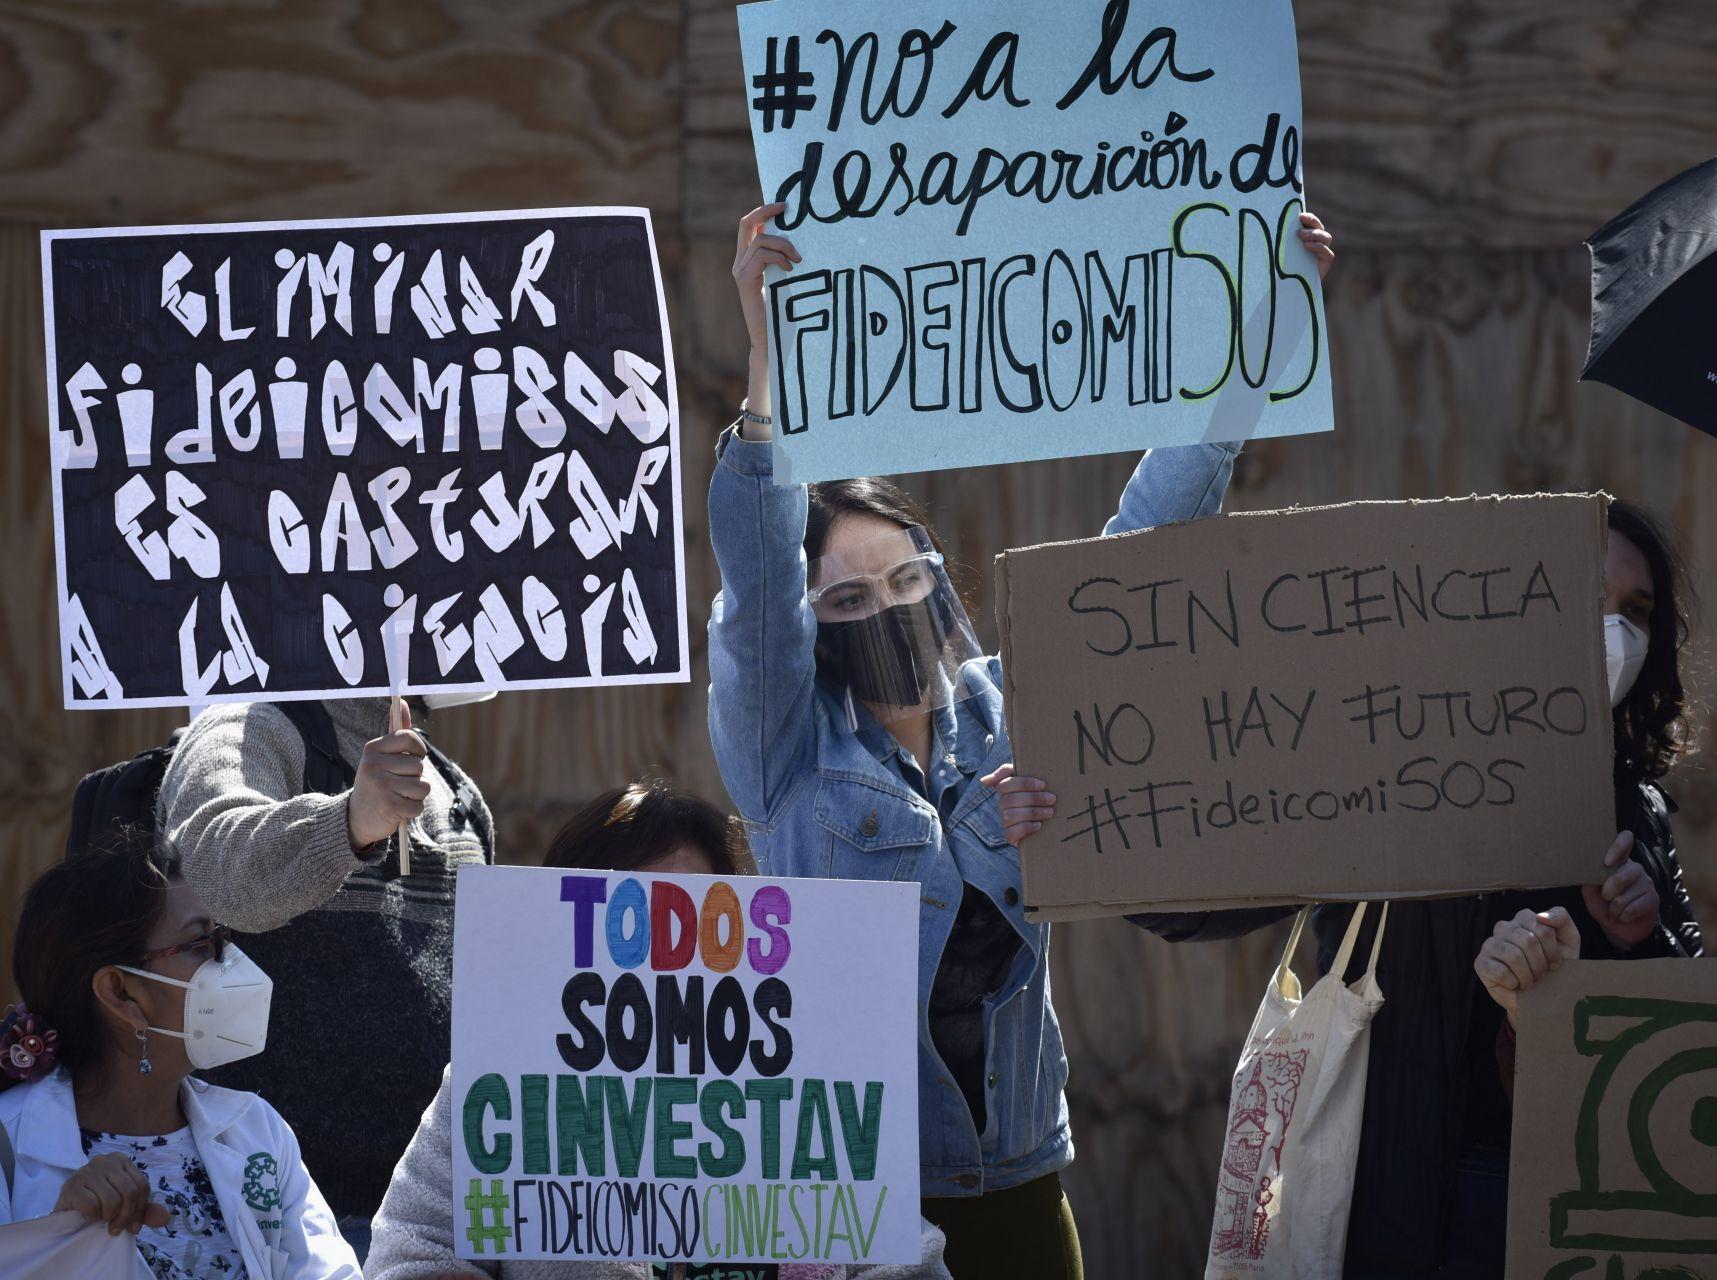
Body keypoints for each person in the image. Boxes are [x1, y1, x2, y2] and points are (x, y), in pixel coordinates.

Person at [708, 203, 1337, 1279]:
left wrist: (1253, 352)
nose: (888, 609)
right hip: (849, 1191)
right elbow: (758, 585)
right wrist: (765, 369)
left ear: (942, 579)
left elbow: (1140, 541)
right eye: (849, 598)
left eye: (906, 581)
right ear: (813, 629)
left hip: (1016, 1180)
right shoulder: (786, 751)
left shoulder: (1014, 703)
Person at [1125, 497, 1704, 1278]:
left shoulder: (1631, 809)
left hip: (1552, 1214)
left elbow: (1675, 1055)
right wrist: (1081, 827)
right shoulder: (1391, 766)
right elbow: (1188, 904)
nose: (1612, 633)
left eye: (1633, 612)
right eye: (1582, 595)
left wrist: (1639, 941)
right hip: (1378, 1198)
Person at [365, 779, 954, 1280]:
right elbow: (411, 1253)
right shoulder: (502, 1073)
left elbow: (911, 1259)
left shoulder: (812, 1077)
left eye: (694, 910)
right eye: (631, 913)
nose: (664, 945)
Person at [156, 692, 496, 1255]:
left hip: (426, 1230)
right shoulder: (248, 730)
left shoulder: (457, 790)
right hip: (269, 1222)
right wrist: (352, 821)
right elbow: (214, 873)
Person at [0, 830, 360, 1277]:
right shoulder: (8, 1147)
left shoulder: (256, 1130)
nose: (228, 962)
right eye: (201, 945)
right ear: (120, 992)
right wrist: (60, 1237)